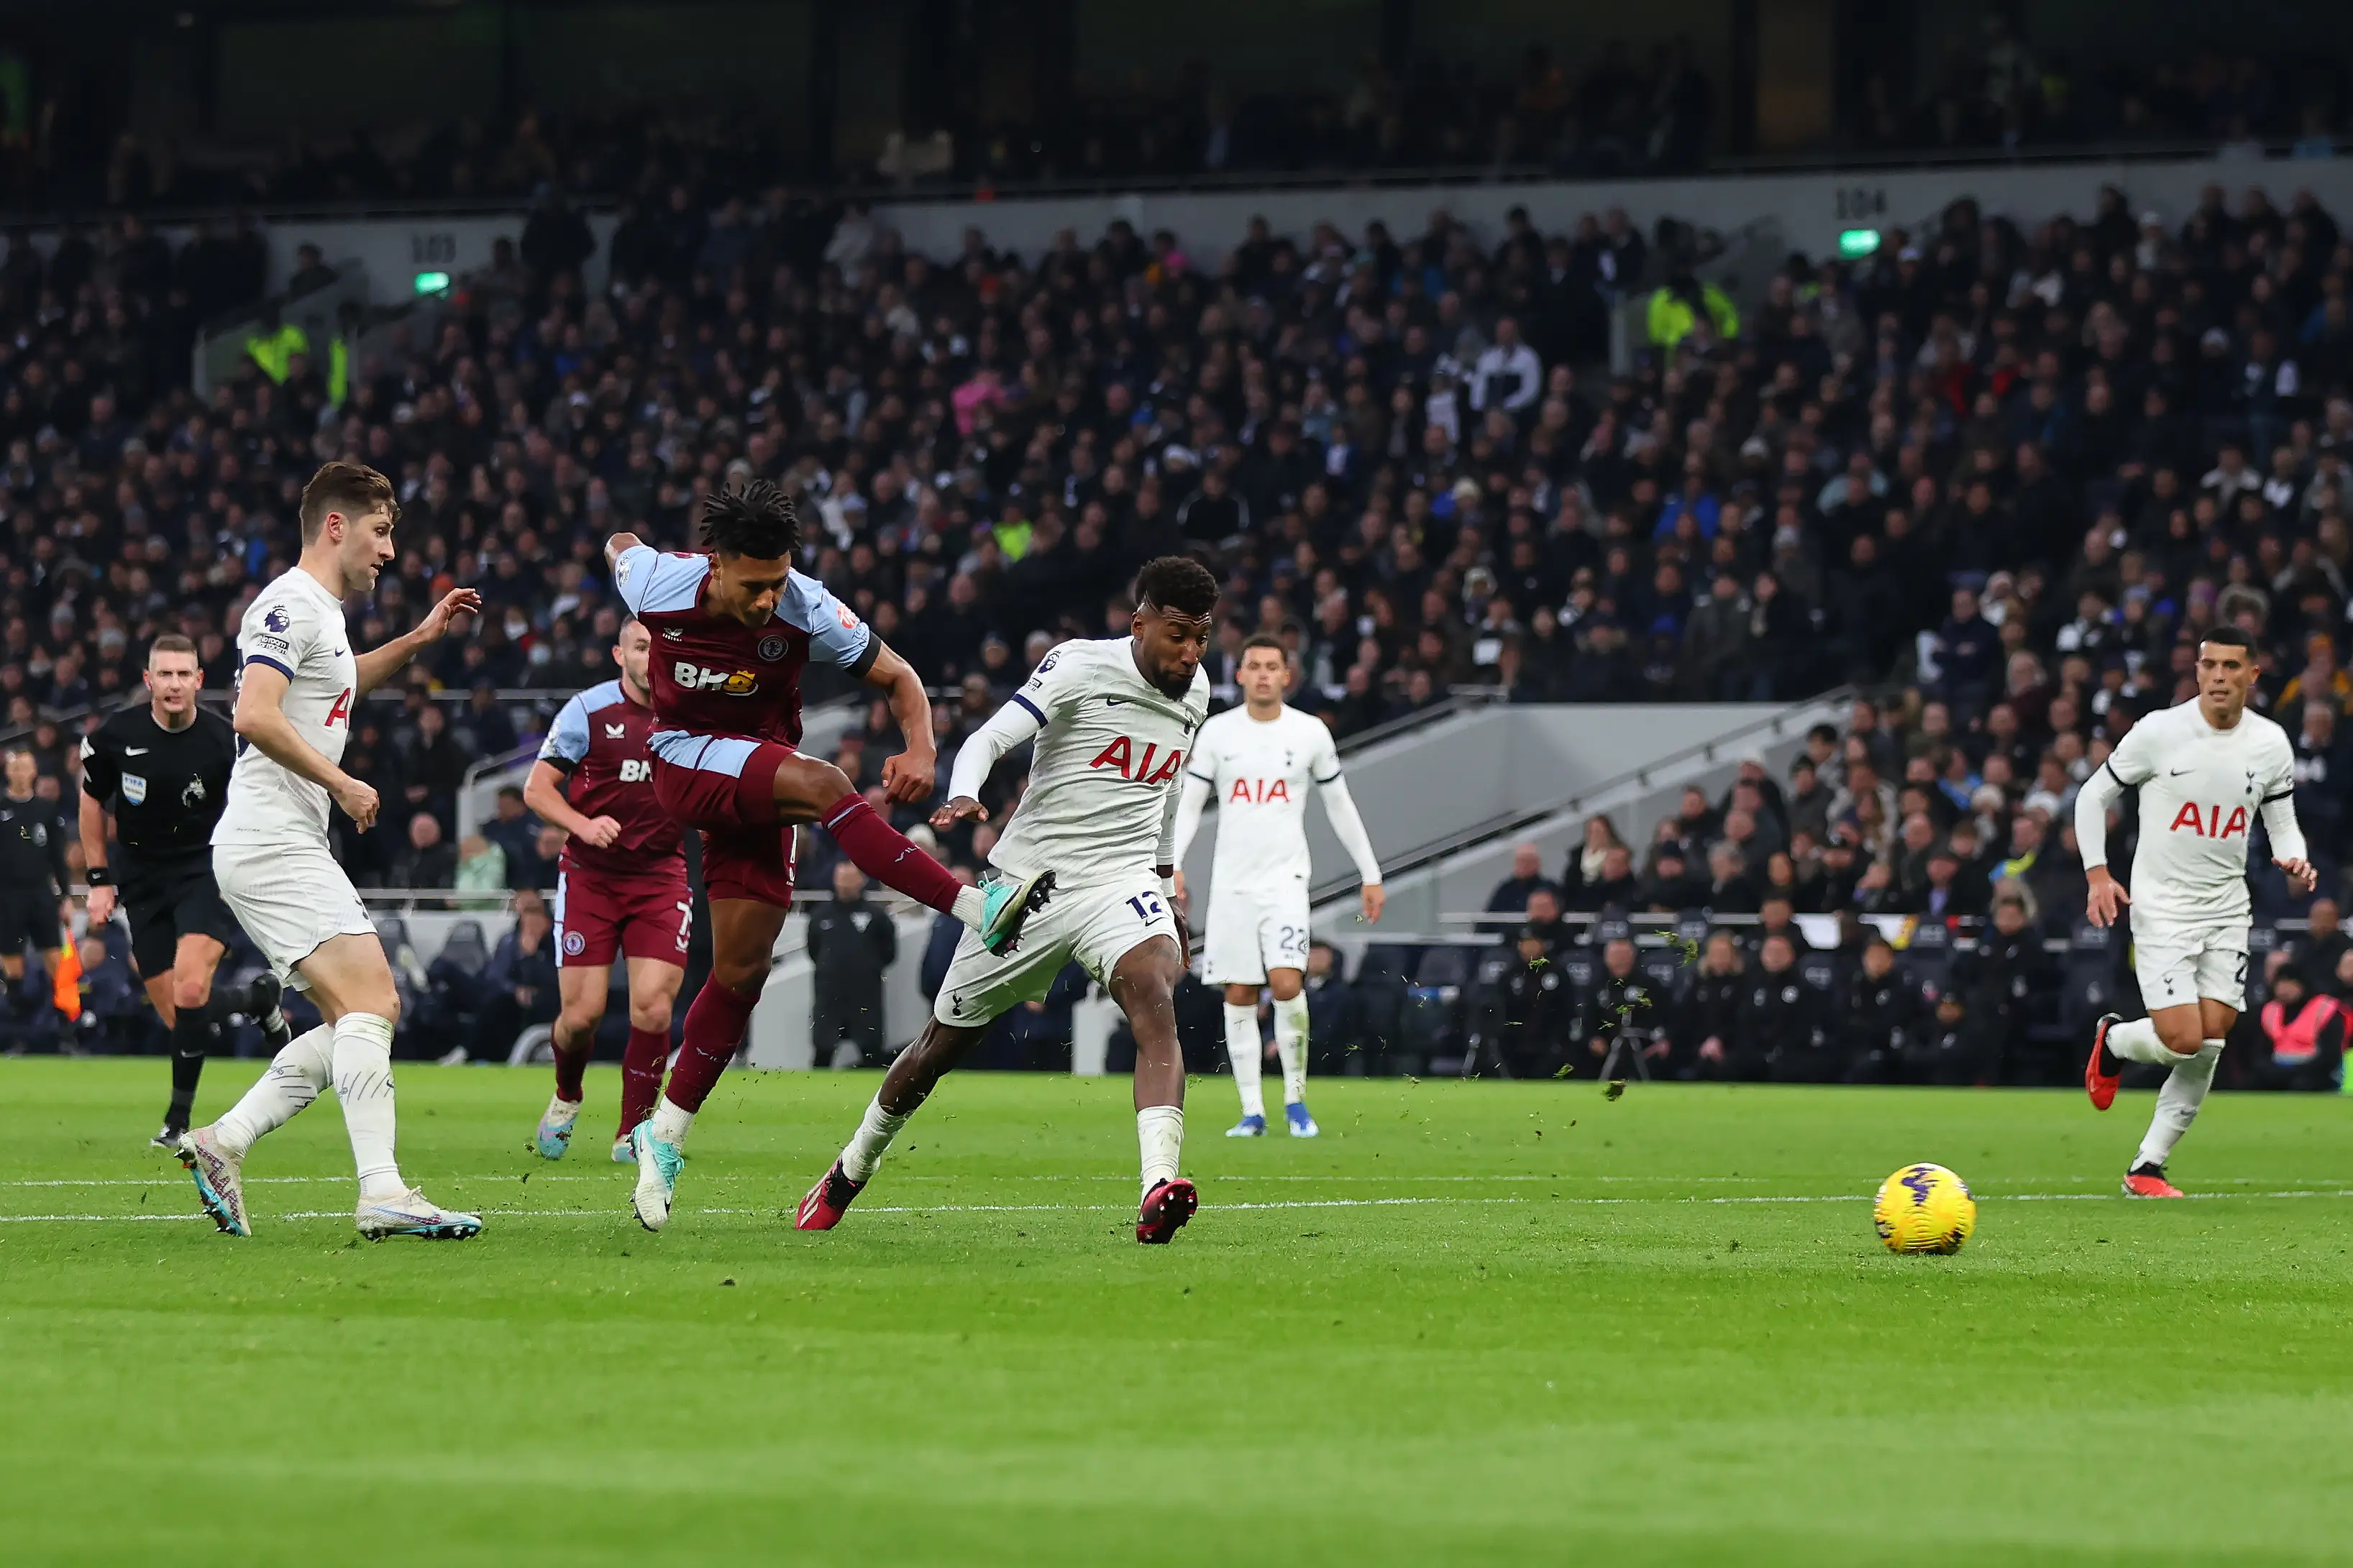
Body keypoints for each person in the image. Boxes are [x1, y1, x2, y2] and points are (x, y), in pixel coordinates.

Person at [606, 482, 1048, 1232]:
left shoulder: (807, 605)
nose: (766, 600)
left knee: (741, 973)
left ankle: (664, 1133)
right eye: (753, 585)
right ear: (714, 565)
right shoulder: (657, 581)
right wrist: (626, 548)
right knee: (826, 783)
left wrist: (921, 746)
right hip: (684, 760)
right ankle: (977, 906)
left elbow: (899, 676)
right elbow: (620, 545)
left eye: (777, 582)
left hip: (756, 779)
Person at [795, 556, 1218, 1245]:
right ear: (1140, 624)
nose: (1191, 653)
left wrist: (1168, 887)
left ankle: (1158, 1186)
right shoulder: (1079, 664)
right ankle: (850, 1168)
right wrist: (965, 791)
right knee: (938, 1047)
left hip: (1121, 881)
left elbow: (1166, 793)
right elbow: (989, 737)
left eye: (1201, 637)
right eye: (1178, 635)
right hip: (1030, 885)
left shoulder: (1195, 690)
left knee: (1154, 995)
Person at [173, 461, 485, 1240]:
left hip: (278, 838)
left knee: (354, 1015)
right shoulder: (287, 603)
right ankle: (382, 1190)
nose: (389, 551)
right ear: (336, 526)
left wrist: (417, 640)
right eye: (381, 532)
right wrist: (341, 782)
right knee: (374, 1001)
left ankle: (223, 1140)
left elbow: (338, 685)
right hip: (270, 836)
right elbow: (253, 714)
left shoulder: (324, 614)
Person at [2077, 626, 2314, 1197]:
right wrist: (2098, 874)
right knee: (2183, 1038)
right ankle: (2114, 1041)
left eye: (2231, 666)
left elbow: (2281, 821)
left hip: (2228, 908)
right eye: (2210, 665)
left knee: (2212, 1038)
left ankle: (2147, 1166)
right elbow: (2092, 795)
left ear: (2252, 675)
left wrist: (2295, 857)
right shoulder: (2160, 731)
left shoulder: (2270, 743)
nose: (2219, 676)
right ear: (2198, 671)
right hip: (2162, 906)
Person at [80, 633, 293, 1145]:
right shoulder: (115, 736)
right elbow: (91, 801)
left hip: (204, 872)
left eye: (183, 674)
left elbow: (253, 807)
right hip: (141, 880)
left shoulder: (225, 741)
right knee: (180, 1015)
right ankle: (256, 998)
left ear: (199, 680)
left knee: (191, 989)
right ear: (149, 680)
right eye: (165, 674)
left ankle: (177, 1121)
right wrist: (99, 879)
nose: (174, 684)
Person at [1172, 632, 1382, 1138]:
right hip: (1231, 884)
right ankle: (1252, 1111)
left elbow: (1340, 805)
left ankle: (1295, 1100)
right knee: (1239, 990)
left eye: (1272, 666)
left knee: (1288, 983)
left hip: (1286, 880)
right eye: (1255, 666)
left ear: (1288, 675)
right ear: (1239, 674)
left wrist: (1370, 872)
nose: (1264, 674)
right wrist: (1171, 864)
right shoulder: (1218, 733)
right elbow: (1190, 804)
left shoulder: (1310, 732)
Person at [522, 617, 690, 1163]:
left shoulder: (690, 713)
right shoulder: (588, 711)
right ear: (620, 655)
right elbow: (537, 788)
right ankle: (567, 1094)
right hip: (590, 876)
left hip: (660, 875)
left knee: (654, 1009)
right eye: (640, 647)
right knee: (580, 1017)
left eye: (659, 647)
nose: (651, 657)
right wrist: (582, 824)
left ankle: (633, 1133)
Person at [0, 747, 69, 1042]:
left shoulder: (46, 809)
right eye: (16, 767)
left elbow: (57, 856)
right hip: (7, 895)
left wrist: (66, 896)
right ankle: (17, 1033)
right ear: (7, 771)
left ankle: (66, 1032)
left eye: (26, 767)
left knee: (56, 961)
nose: (20, 773)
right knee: (12, 965)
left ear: (34, 772)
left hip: (40, 893)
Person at [807, 863, 897, 1068]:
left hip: (865, 995)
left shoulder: (877, 916)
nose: (845, 885)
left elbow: (889, 952)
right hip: (829, 995)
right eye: (841, 879)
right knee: (823, 1048)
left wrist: (868, 968)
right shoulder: (820, 916)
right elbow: (813, 950)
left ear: (861, 882)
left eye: (849, 880)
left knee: (871, 1049)